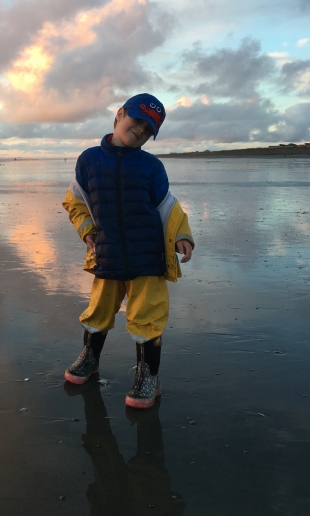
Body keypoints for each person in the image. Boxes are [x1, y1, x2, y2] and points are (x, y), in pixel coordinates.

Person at [62, 93, 194, 409]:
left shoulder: (151, 166)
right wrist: (87, 231)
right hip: (106, 253)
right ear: (120, 115)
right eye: (137, 122)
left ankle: (148, 375)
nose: (140, 132)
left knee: (148, 315)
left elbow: (167, 207)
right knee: (98, 310)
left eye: (148, 131)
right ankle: (89, 359)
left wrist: (181, 236)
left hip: (148, 255)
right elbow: (76, 201)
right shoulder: (89, 160)